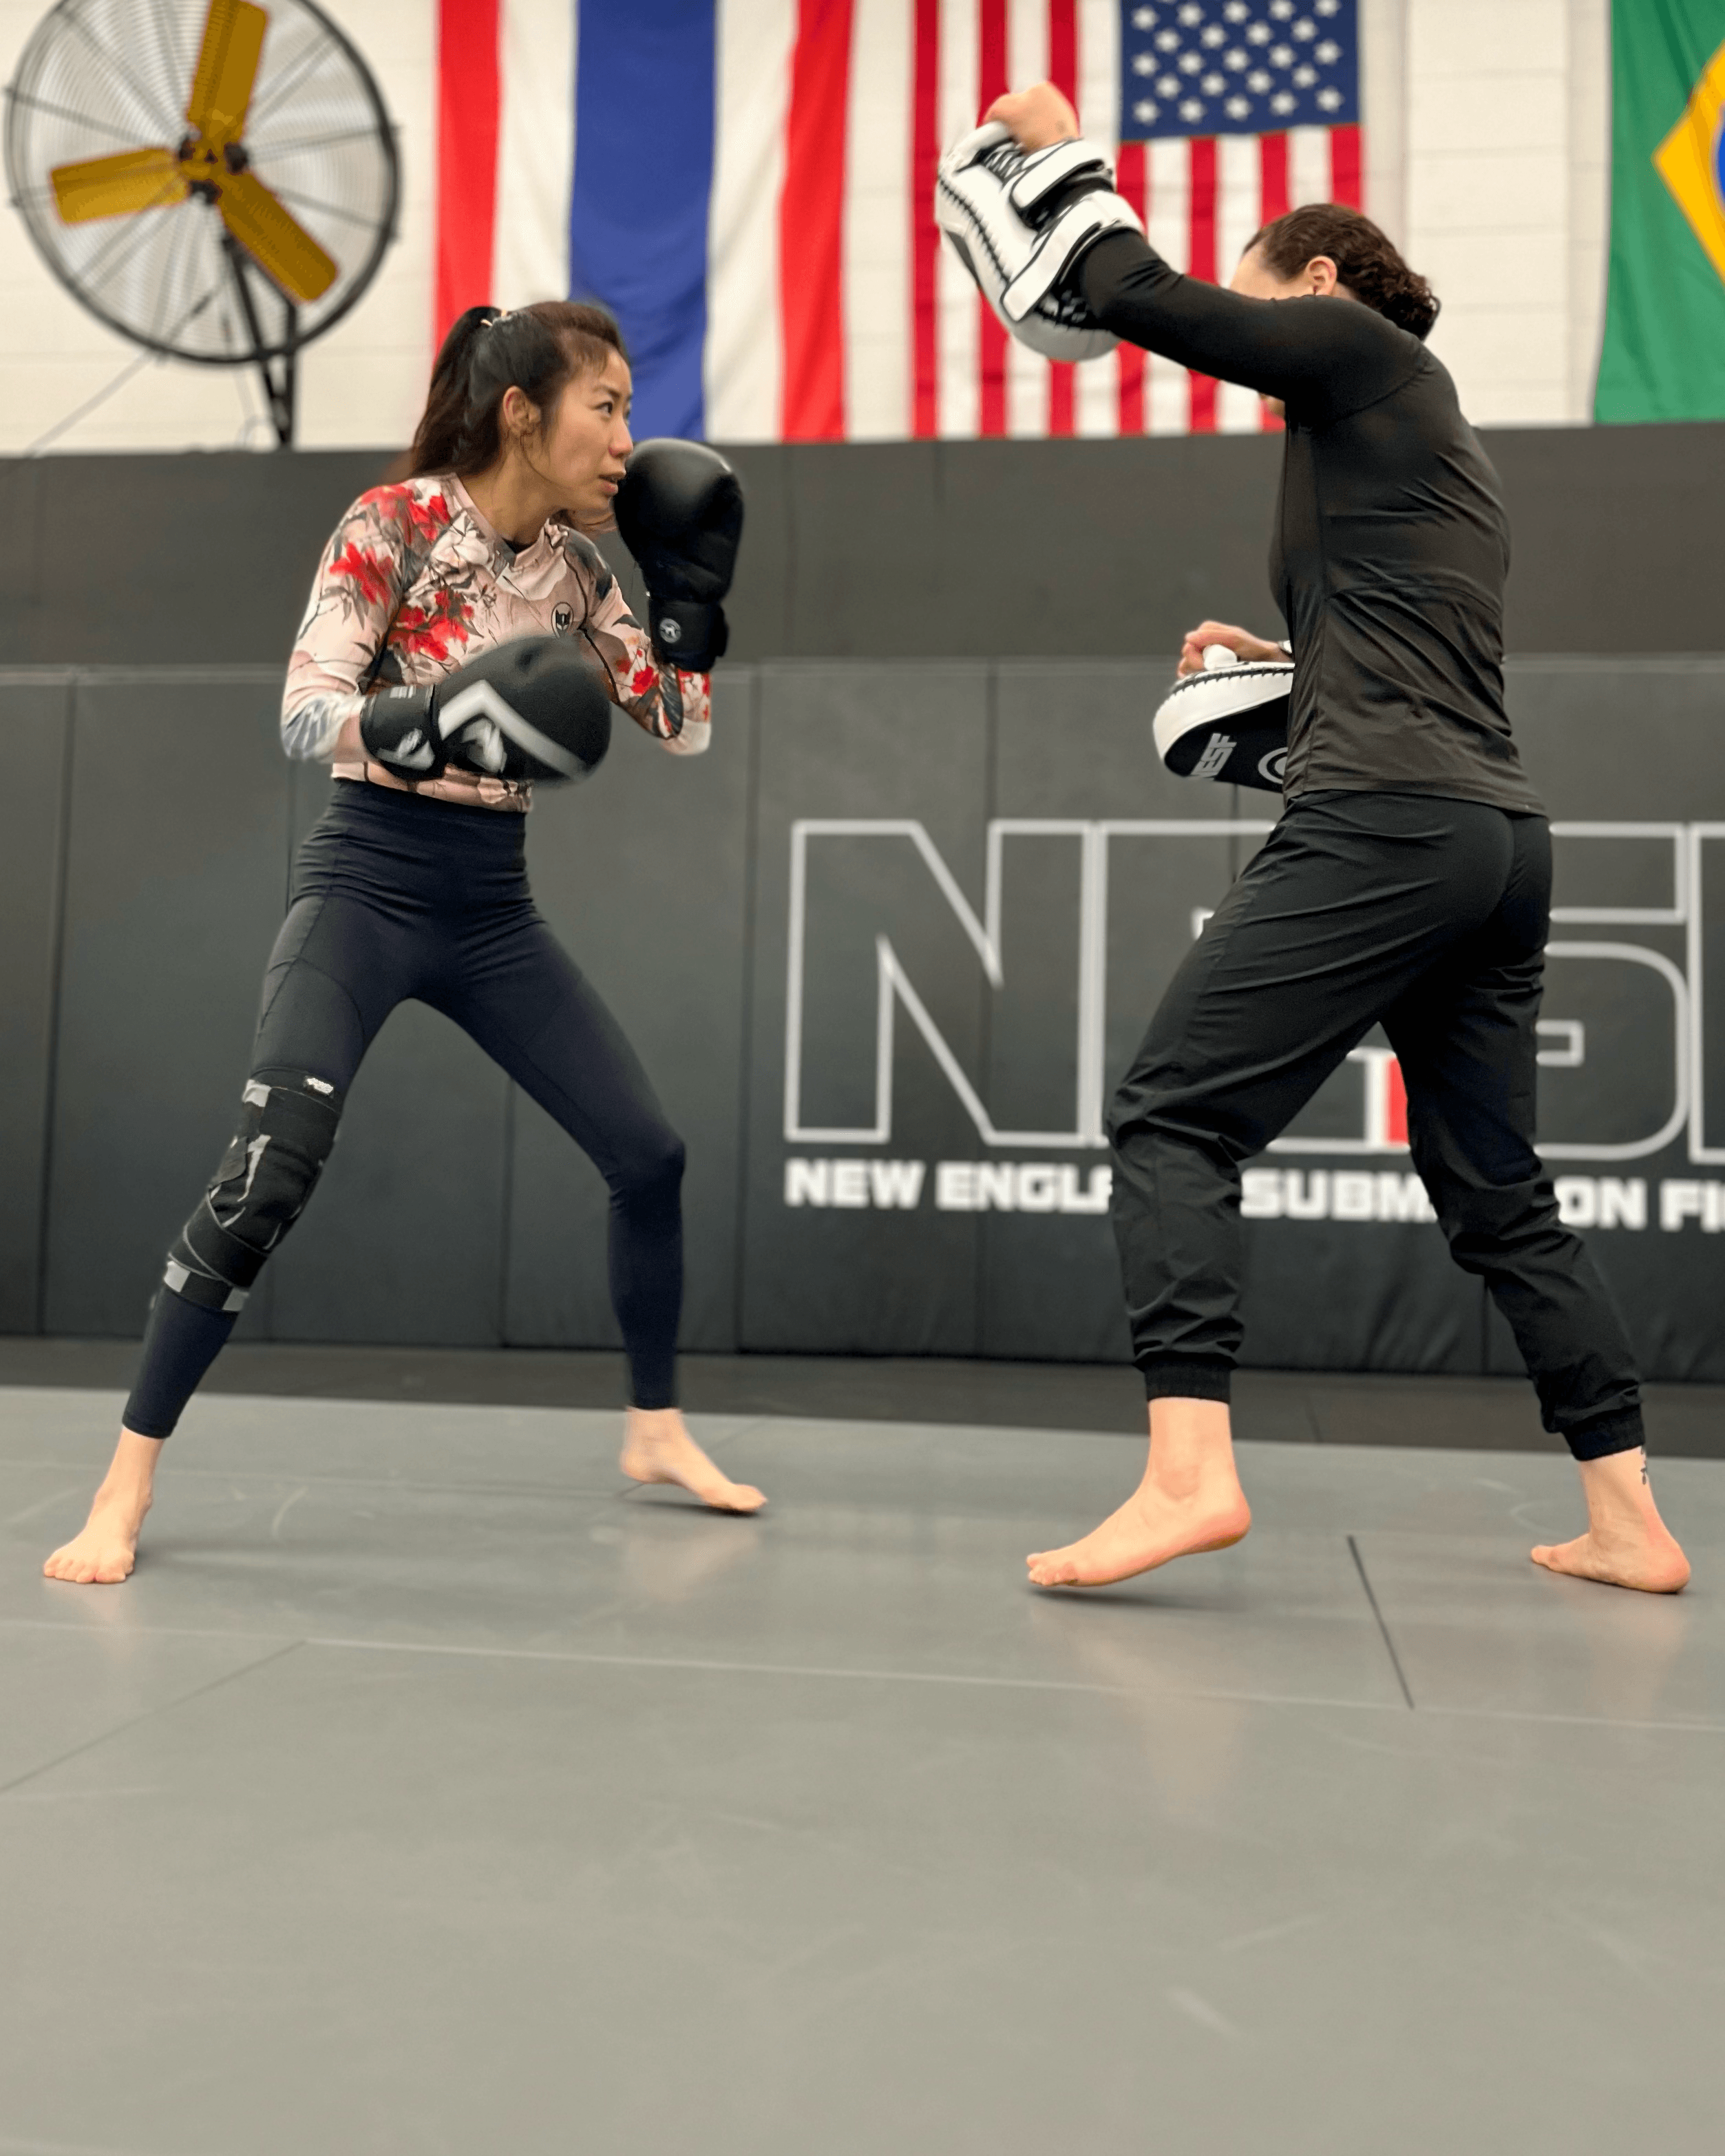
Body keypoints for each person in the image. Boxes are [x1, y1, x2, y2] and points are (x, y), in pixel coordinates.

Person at [949, 85, 1690, 1597]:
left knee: (1171, 1117)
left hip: (1390, 823)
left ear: (1317, 285)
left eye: (1259, 281)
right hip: (1489, 837)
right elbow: (1403, 664)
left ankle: (1188, 1472)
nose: (1248, 312)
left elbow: (1137, 297)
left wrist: (1050, 145)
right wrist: (1281, 668)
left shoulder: (1360, 352)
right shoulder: (1423, 443)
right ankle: (1629, 1518)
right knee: (1493, 1185)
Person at [45, 300, 763, 1587]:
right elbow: (302, 712)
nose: (626, 441)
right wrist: (437, 721)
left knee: (649, 1155)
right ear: (522, 415)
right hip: (366, 889)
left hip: (490, 911)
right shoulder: (394, 524)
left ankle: (653, 1431)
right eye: (606, 409)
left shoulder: (582, 573)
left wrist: (689, 604)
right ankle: (123, 1483)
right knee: (269, 1173)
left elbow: (681, 727)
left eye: (630, 416)